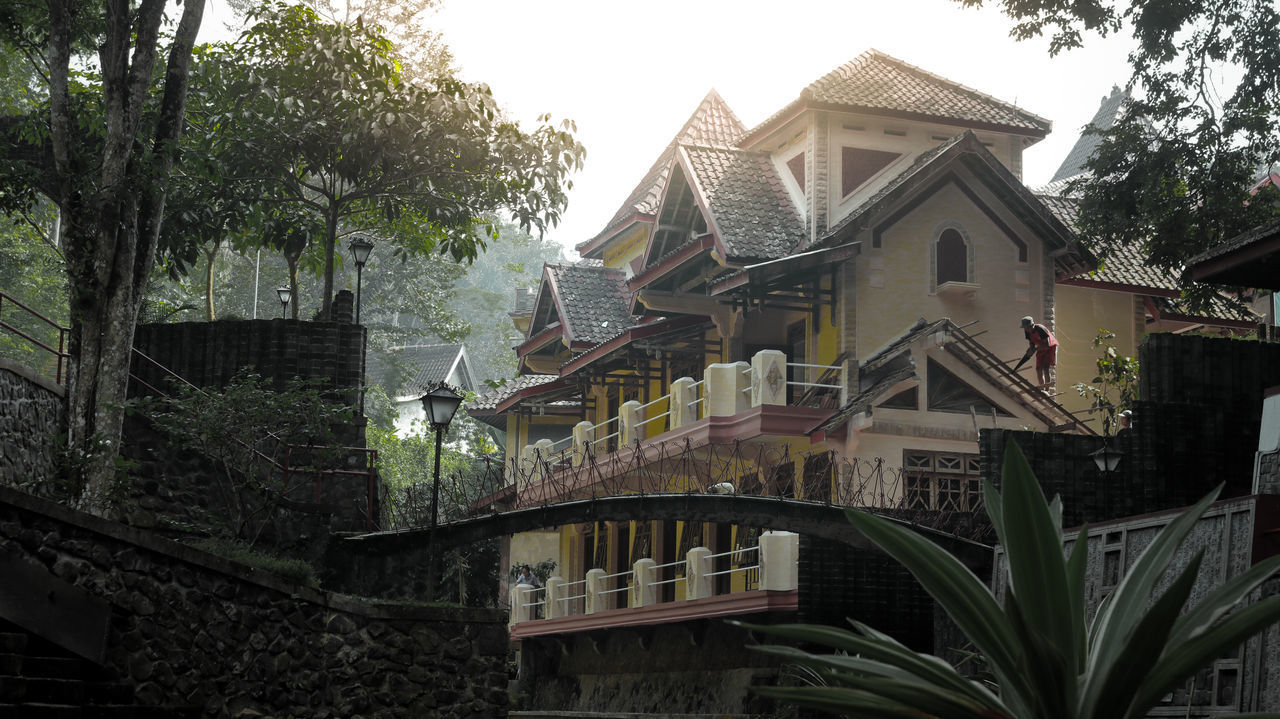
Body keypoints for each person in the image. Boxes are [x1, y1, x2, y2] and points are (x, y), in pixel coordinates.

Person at [1018, 316, 1058, 392]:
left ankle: (1047, 389)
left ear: (1032, 325)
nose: (1026, 330)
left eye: (1027, 328)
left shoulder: (1040, 329)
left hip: (1050, 347)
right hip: (1041, 347)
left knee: (1046, 368)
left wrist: (1035, 349)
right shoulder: (1027, 331)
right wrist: (1031, 348)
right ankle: (1042, 389)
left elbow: (1047, 344)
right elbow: (1031, 341)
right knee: (1038, 368)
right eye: (1025, 328)